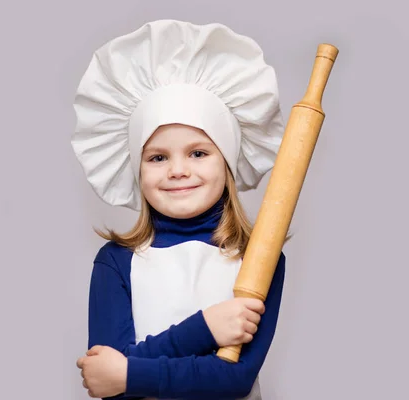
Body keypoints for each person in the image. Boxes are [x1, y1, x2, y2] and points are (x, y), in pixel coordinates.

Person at [71, 19, 289, 400]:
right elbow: (107, 381)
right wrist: (205, 329)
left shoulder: (261, 259)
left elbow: (232, 381)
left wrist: (130, 370)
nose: (177, 170)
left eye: (198, 152)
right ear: (136, 171)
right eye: (157, 157)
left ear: (227, 162)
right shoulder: (117, 262)